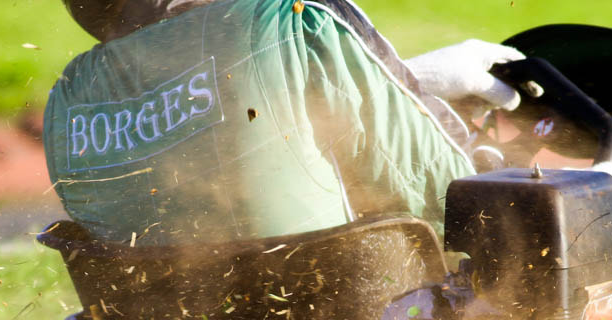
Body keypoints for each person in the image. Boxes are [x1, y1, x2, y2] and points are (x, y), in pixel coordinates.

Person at [45, 0, 529, 245]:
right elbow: (436, 189)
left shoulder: (70, 94)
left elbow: (217, 123)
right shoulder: (295, 19)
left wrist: (408, 82)